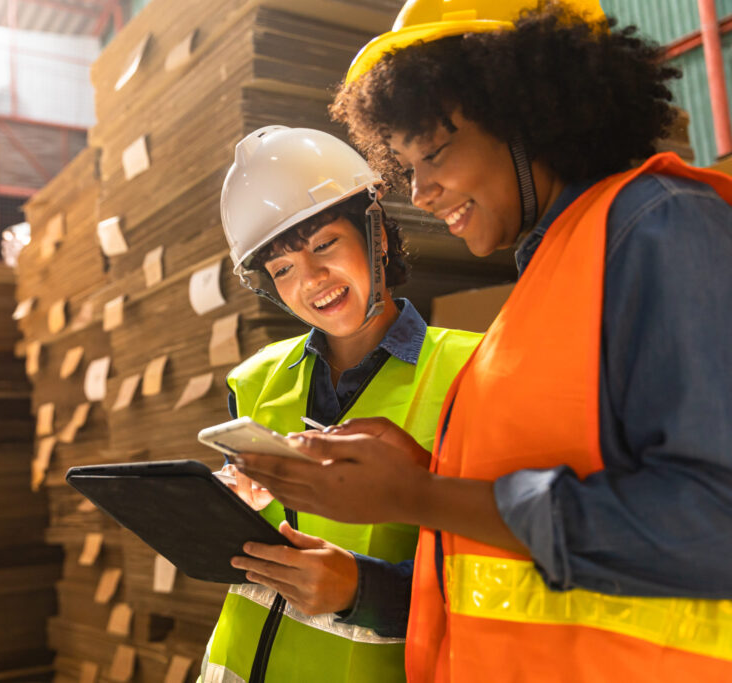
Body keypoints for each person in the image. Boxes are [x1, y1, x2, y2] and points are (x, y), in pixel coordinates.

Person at [233, 1, 732, 681]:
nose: (423, 191)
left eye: (433, 152)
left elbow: (714, 521)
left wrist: (417, 496)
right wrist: (428, 470)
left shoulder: (660, 228)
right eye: (406, 166)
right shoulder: (552, 273)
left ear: (532, 109)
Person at [199, 125, 481, 683]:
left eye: (324, 244)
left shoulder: (471, 373)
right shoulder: (253, 379)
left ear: (375, 233)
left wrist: (362, 590)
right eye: (282, 269)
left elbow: (490, 569)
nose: (311, 280)